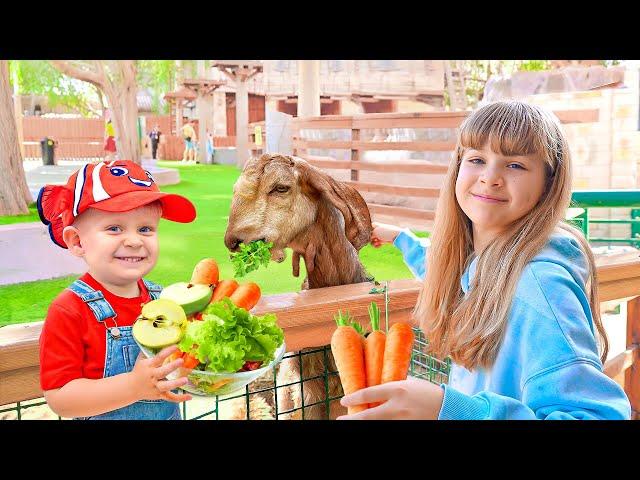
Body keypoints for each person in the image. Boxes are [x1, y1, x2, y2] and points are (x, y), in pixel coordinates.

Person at [339, 101, 631, 420]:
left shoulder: (539, 287)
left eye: (515, 165)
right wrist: (401, 239)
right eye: (477, 159)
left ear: (548, 184)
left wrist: (450, 409)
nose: (490, 177)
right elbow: (453, 273)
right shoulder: (486, 264)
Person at [37, 160, 197, 420]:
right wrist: (133, 387)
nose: (134, 241)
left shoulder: (165, 300)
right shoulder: (69, 310)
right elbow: (60, 398)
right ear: (77, 241)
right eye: (114, 228)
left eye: (145, 229)